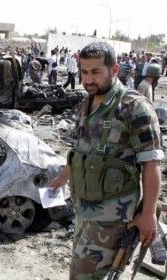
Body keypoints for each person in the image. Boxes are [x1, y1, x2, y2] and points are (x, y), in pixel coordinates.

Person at [49, 42, 163, 279]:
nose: (89, 79)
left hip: (113, 216)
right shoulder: (86, 105)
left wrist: (149, 214)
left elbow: (151, 164)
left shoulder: (134, 107)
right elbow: (81, 150)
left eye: (96, 72)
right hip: (84, 210)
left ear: (114, 69)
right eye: (84, 72)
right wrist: (63, 177)